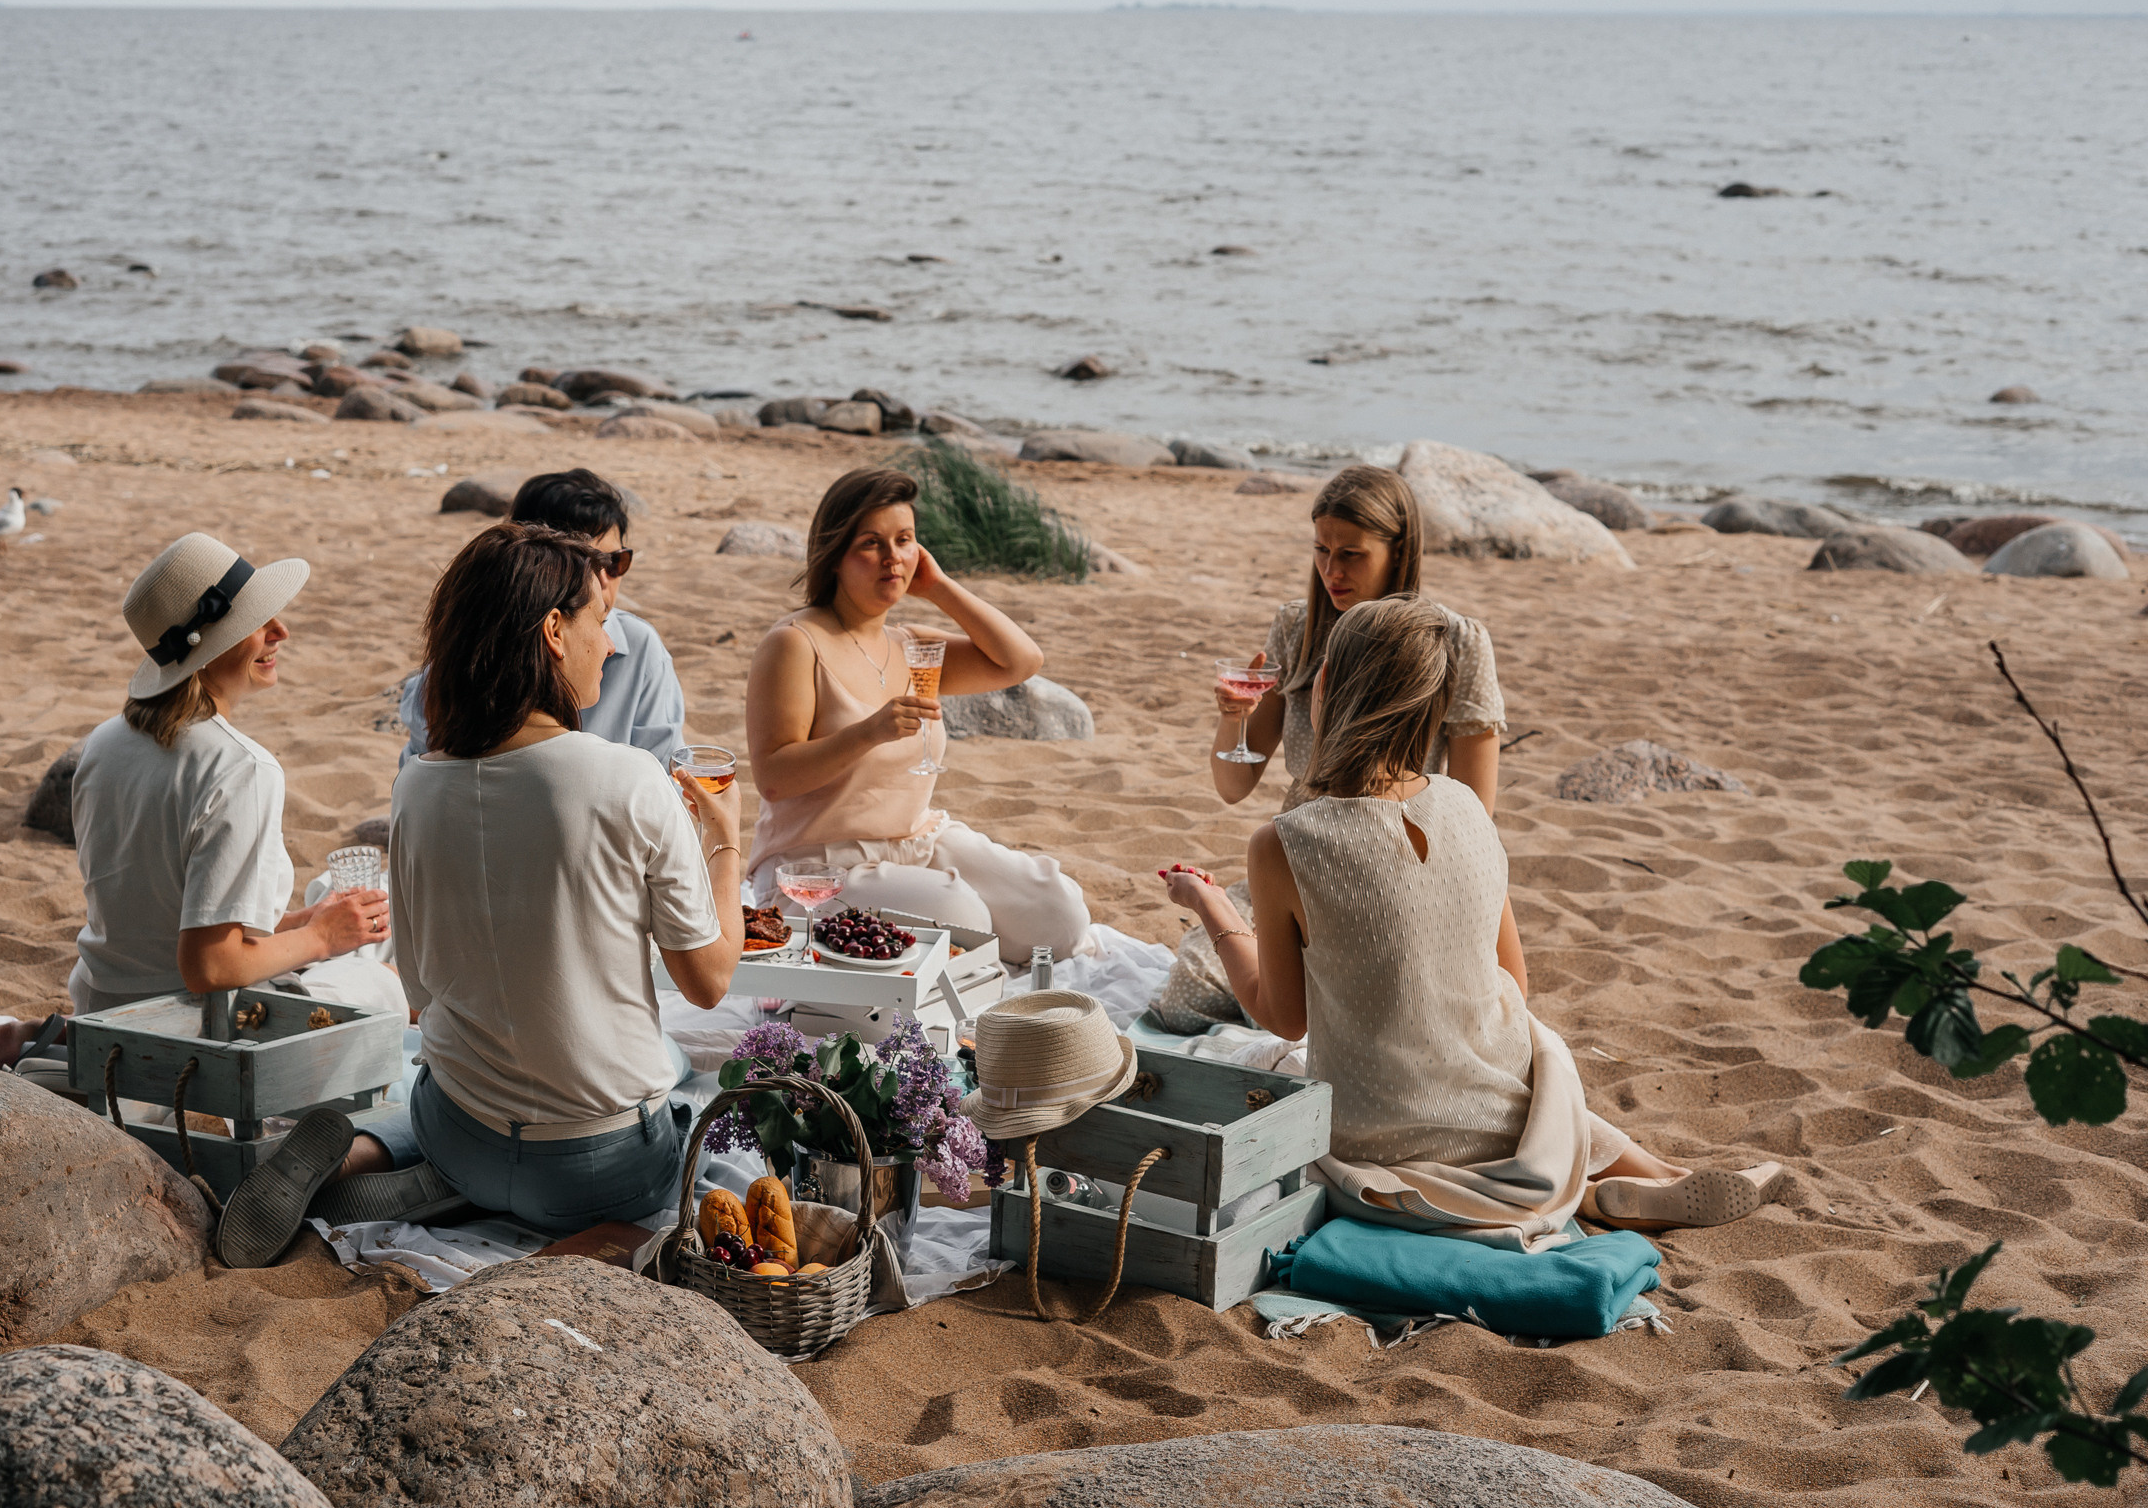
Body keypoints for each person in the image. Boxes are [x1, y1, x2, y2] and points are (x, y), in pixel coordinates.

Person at [1162, 595, 1779, 1250]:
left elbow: (1284, 1017)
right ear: (1432, 708)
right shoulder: (1465, 807)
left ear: (1323, 694)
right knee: (1533, 1049)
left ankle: (1609, 1186)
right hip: (1499, 1116)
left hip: (1373, 1139)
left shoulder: (1285, 842)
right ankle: (1627, 1178)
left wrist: (1210, 904)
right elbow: (1512, 978)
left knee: (1273, 1060)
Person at [0, 532, 418, 1268]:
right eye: (257, 624)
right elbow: (209, 965)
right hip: (190, 1038)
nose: (280, 633)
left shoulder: (107, 743)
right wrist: (322, 939)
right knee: (380, 985)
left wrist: (299, 924)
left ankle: (51, 1038)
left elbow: (167, 902)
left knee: (333, 921)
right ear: (209, 647)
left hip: (110, 1002)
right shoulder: (239, 768)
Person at [361, 523, 744, 1234]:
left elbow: (419, 999)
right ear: (555, 631)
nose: (611, 640)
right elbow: (710, 981)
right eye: (601, 619)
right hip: (601, 1179)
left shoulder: (416, 786)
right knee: (684, 1078)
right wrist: (727, 844)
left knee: (450, 1072)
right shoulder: (627, 777)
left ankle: (374, 1149)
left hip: (458, 1137)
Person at [743, 466, 1091, 962]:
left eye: (904, 541)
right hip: (819, 864)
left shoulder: (913, 646)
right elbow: (775, 778)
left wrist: (939, 586)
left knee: (1058, 913)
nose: (892, 559)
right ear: (835, 554)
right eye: (871, 543)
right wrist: (869, 732)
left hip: (917, 840)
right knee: (963, 916)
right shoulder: (796, 644)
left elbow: (1021, 661)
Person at [1211, 463, 1505, 815]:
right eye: (1321, 550)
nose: (1332, 571)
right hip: (1297, 847)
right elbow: (1233, 788)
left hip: (1397, 850)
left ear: (1398, 551)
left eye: (1351, 554)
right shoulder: (1296, 629)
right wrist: (1233, 719)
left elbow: (1474, 814)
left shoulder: (1456, 642)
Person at [398, 468, 683, 770]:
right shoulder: (460, 668)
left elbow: (667, 772)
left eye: (615, 561)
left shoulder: (639, 650)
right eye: (585, 564)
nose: (601, 581)